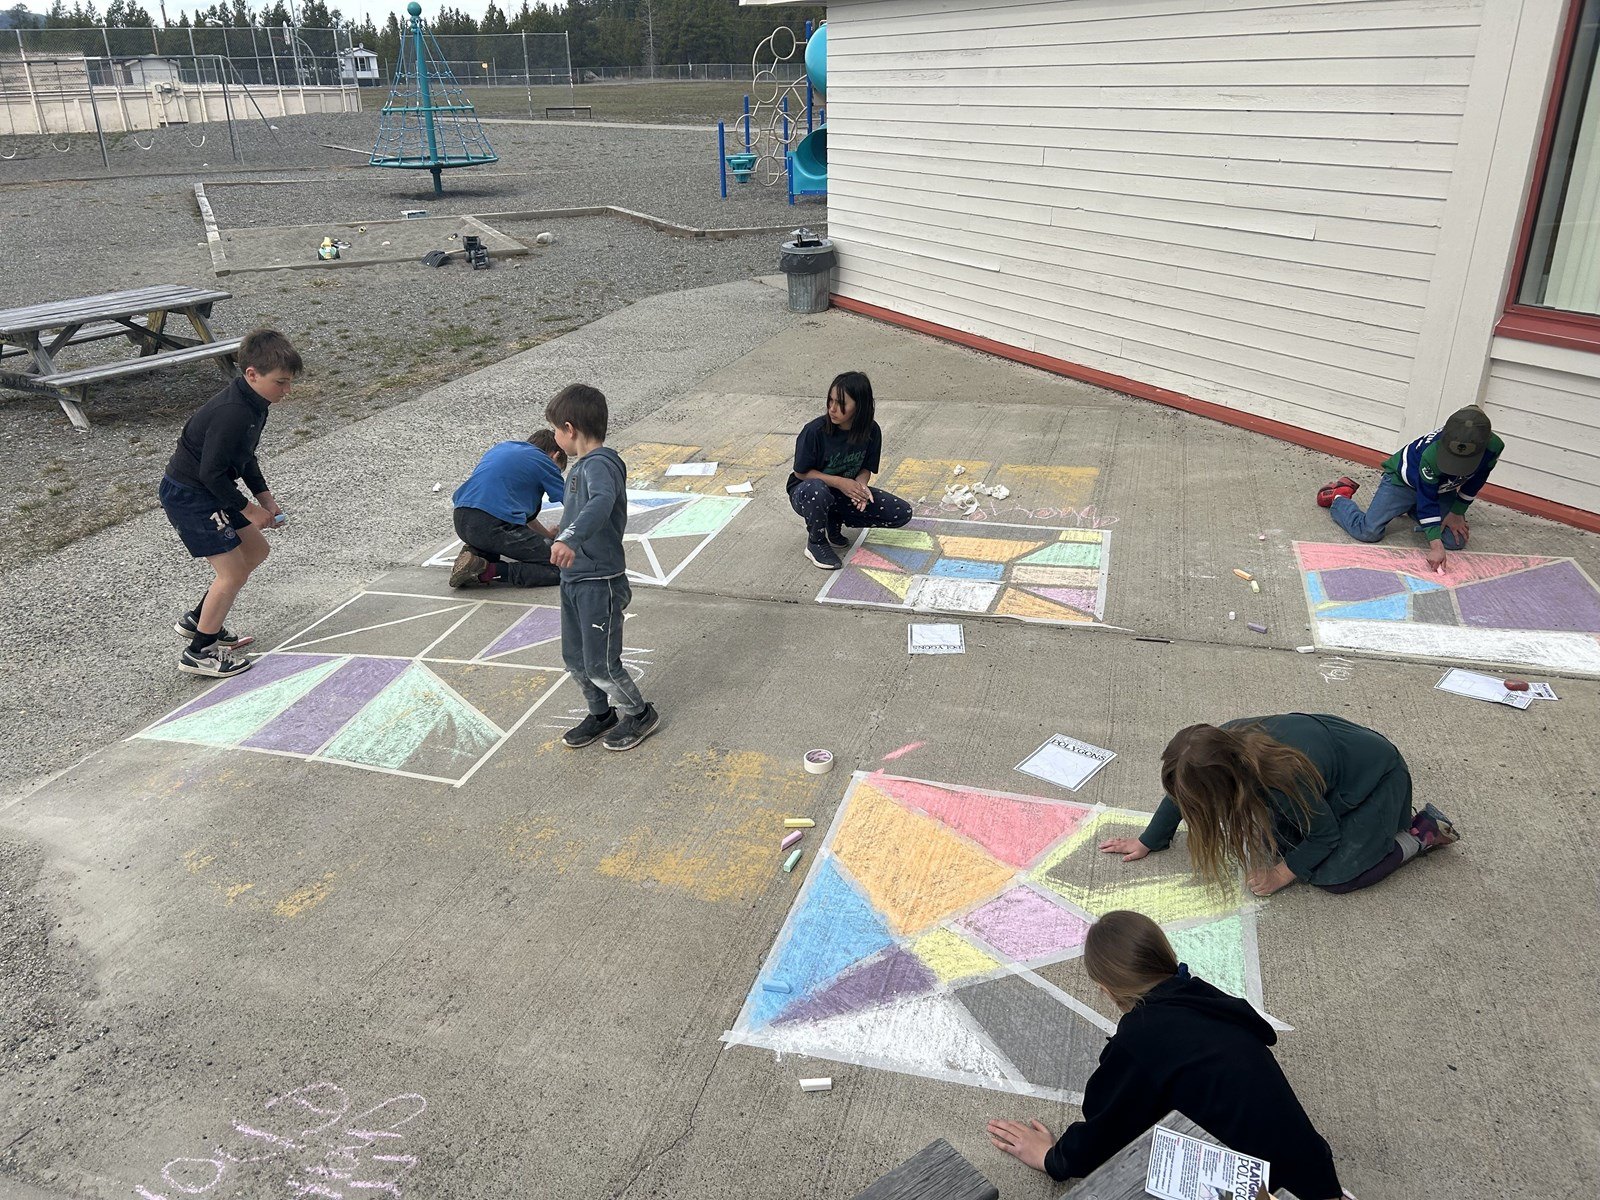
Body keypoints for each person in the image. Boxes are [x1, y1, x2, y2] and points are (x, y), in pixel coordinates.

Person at [986, 911, 1342, 1200]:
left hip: (1271, 1190)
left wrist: (1053, 1158)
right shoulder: (1205, 997)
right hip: (1314, 1173)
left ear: (1105, 990)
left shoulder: (1140, 1041)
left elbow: (1108, 1127)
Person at [1098, 714, 1460, 896]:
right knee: (1275, 841)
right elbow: (1184, 791)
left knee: (1333, 876)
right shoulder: (1218, 747)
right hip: (1333, 773)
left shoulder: (1283, 777)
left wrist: (1280, 875)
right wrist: (1150, 839)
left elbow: (1324, 836)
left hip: (1377, 782)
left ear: (1230, 782)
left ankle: (1420, 833)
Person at [158, 328, 302, 678]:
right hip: (191, 495)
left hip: (211, 490)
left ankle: (200, 620)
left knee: (255, 551)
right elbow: (211, 473)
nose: (287, 391)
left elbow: (245, 457)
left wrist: (265, 499)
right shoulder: (233, 411)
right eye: (280, 382)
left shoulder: (257, 403)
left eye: (289, 382)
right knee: (233, 570)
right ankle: (200, 652)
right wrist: (248, 510)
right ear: (251, 374)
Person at [545, 383, 660, 753]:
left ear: (570, 429)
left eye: (555, 430)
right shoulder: (583, 468)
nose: (556, 437)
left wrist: (570, 539)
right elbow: (581, 511)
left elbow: (601, 502)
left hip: (600, 582)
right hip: (575, 579)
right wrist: (560, 531)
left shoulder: (602, 465)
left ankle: (639, 713)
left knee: (600, 663)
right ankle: (600, 713)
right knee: (575, 659)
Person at [1317, 405, 1503, 574]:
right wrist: (1435, 546)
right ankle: (1339, 497)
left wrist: (1457, 512)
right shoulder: (1430, 454)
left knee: (1455, 540)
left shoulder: (1494, 446)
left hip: (1442, 488)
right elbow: (1426, 497)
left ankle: (1410, 509)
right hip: (1402, 483)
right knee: (1368, 532)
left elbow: (1478, 478)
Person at [787, 371, 913, 570]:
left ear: (859, 406)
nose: (833, 408)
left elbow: (865, 468)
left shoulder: (871, 430)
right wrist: (840, 482)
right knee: (817, 490)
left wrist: (860, 487)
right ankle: (816, 542)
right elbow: (800, 473)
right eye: (830, 400)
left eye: (841, 403)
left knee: (901, 512)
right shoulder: (814, 431)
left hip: (842, 492)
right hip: (807, 491)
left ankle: (833, 519)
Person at [449, 429, 568, 589]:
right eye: (558, 469)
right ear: (555, 456)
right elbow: (573, 502)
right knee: (562, 564)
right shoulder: (544, 462)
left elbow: (527, 518)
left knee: (501, 538)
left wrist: (547, 535)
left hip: (462, 520)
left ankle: (476, 556)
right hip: (491, 526)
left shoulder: (504, 448)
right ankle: (487, 571)